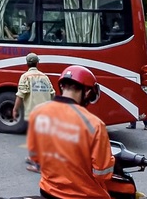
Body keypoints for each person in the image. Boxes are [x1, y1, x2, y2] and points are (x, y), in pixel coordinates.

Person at [27, 65, 114, 199]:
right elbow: (102, 173)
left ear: (62, 87)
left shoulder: (38, 112)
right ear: (87, 92)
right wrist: (111, 159)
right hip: (83, 195)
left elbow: (35, 156)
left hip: (47, 190)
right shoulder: (94, 124)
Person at [12, 53, 55, 126]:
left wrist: (15, 109)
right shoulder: (45, 77)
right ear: (37, 63)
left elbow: (20, 95)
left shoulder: (25, 77)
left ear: (27, 64)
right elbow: (53, 94)